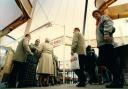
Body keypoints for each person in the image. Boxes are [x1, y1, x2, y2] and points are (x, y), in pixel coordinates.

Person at [92, 10, 123, 88]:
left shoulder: (103, 17)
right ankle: (118, 80)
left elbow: (109, 22)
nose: (96, 16)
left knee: (110, 62)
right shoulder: (98, 23)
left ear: (100, 14)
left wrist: (106, 33)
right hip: (102, 45)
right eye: (94, 16)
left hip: (107, 44)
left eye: (96, 14)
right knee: (105, 62)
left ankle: (117, 81)